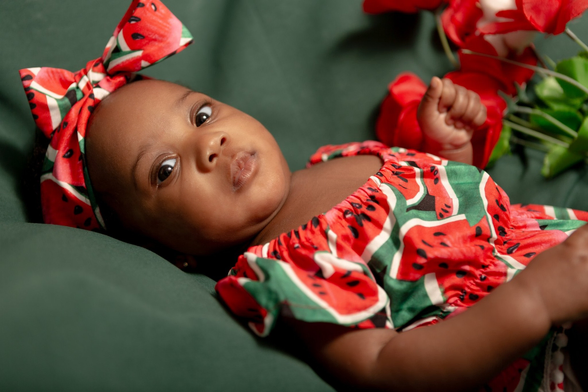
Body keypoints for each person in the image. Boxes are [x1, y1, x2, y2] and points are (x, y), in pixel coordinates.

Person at [20, 1, 588, 391]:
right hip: (523, 343)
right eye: (165, 170)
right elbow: (386, 368)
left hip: (554, 248)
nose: (209, 145)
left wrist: (451, 151)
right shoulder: (285, 270)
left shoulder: (339, 158)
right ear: (175, 253)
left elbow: (454, 226)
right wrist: (532, 304)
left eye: (200, 114)